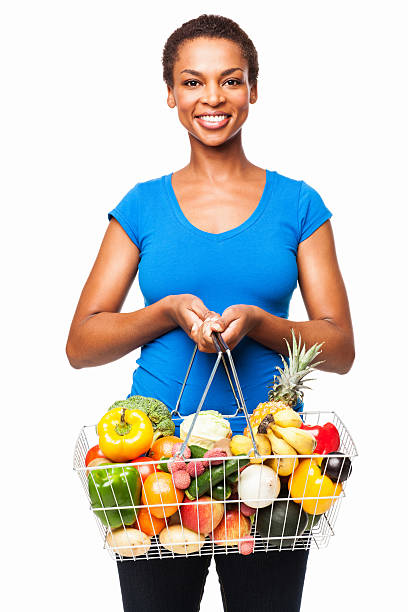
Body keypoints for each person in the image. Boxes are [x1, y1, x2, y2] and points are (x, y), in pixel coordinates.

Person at [66, 14, 354, 612]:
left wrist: (260, 322)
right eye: (192, 82)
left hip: (274, 462)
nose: (213, 98)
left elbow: (342, 347)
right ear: (170, 94)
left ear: (253, 89)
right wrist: (167, 312)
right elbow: (82, 343)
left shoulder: (300, 206)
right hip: (154, 462)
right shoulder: (140, 206)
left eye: (230, 80)